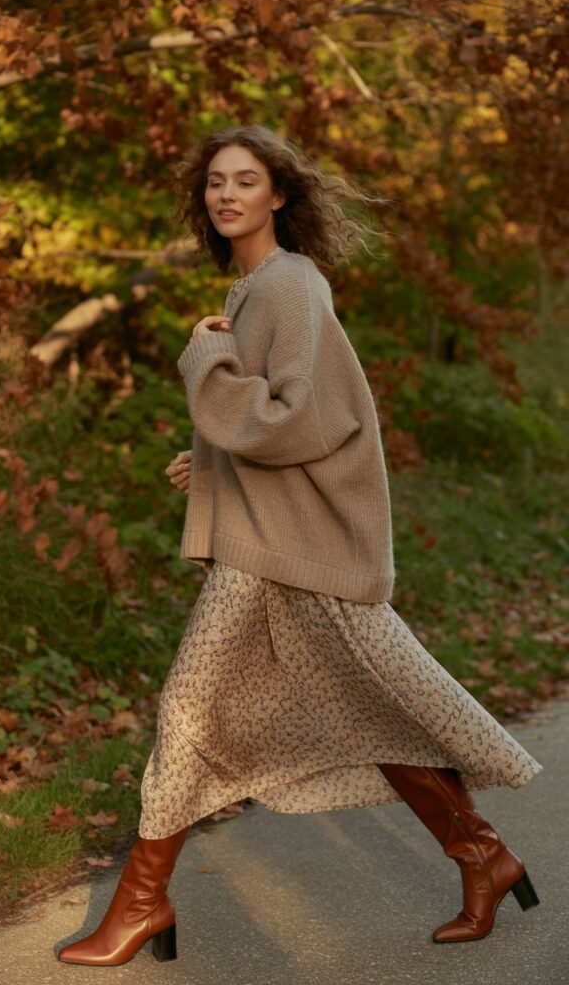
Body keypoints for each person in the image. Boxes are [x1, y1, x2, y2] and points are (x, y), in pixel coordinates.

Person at [58, 125, 541, 967]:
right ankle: (485, 857)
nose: (226, 195)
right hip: (275, 550)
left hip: (297, 554)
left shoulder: (286, 284)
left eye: (246, 181)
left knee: (197, 709)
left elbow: (295, 421)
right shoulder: (255, 288)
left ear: (279, 196)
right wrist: (207, 458)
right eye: (215, 182)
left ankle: (142, 905)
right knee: (377, 711)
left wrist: (204, 360)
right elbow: (268, 419)